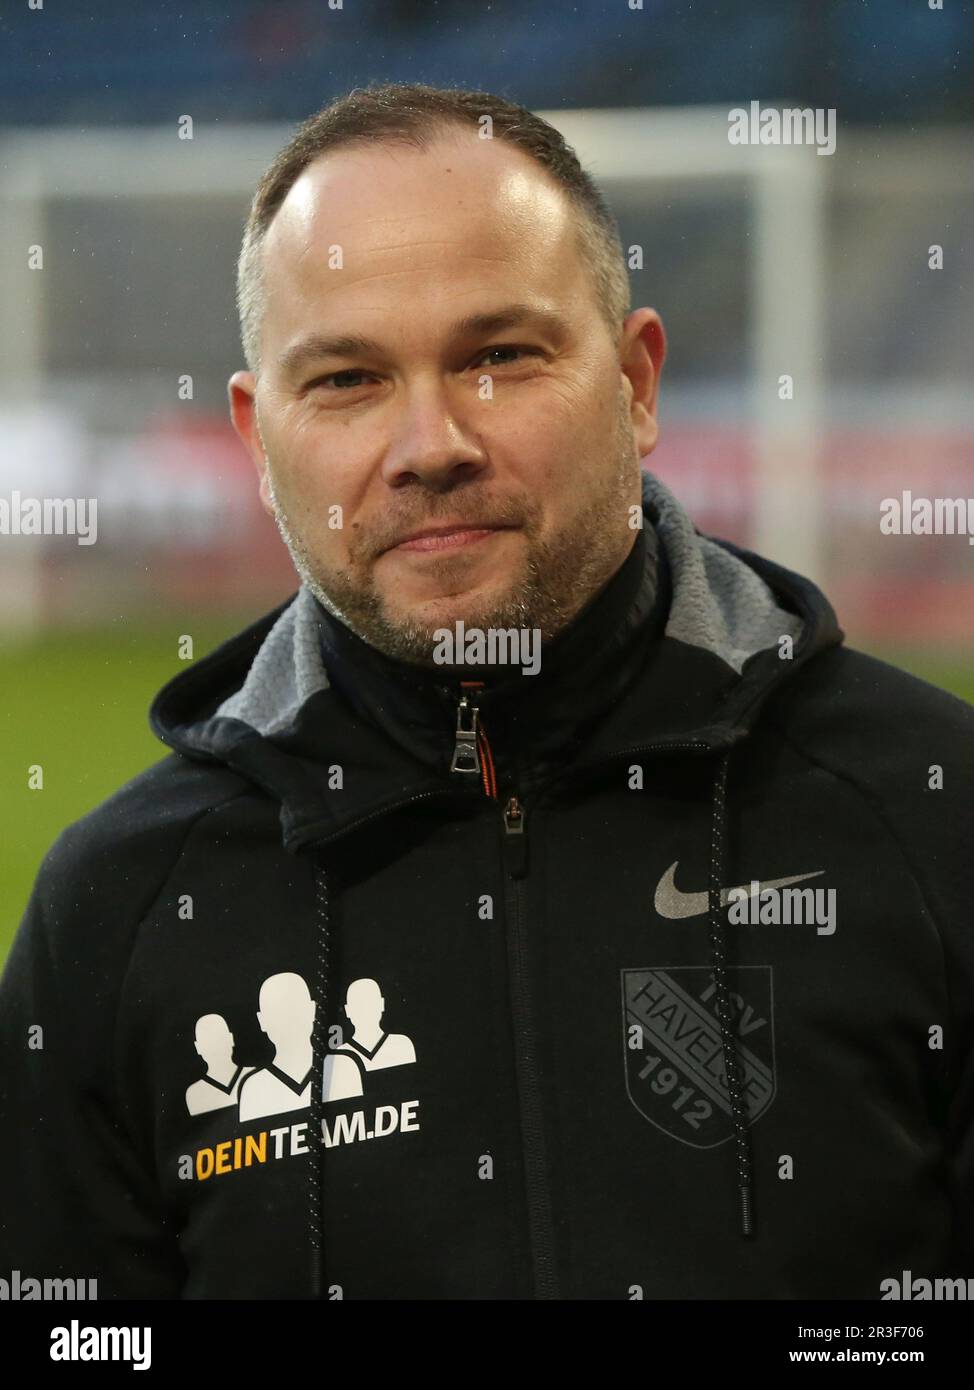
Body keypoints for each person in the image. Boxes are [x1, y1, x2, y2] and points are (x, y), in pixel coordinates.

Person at [1, 81, 973, 1301]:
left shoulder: (931, 816)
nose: (431, 443)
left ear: (635, 382)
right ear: (257, 440)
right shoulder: (118, 911)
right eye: (347, 379)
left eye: (499, 356)